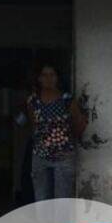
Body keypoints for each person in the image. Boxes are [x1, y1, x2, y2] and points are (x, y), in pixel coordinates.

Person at [25, 64, 85, 200]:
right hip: (40, 154)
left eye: (52, 75)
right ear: (39, 78)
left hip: (64, 155)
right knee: (41, 199)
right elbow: (33, 125)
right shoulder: (33, 101)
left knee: (62, 200)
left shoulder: (67, 100)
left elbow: (79, 123)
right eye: (44, 75)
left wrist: (67, 142)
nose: (48, 79)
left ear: (57, 78)